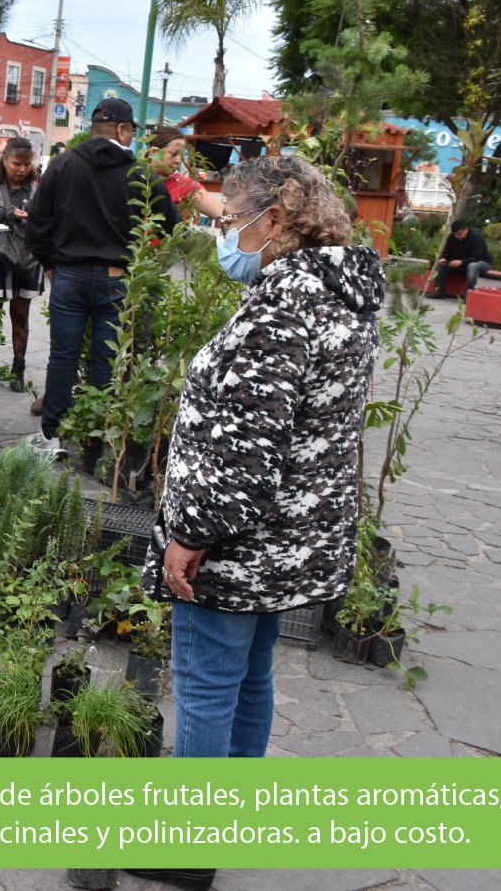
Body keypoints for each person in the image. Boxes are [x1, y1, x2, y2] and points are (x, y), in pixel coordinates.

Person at [131, 157, 384, 891]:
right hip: (289, 537)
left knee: (208, 687)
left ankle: (184, 852)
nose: (222, 233)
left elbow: (245, 449)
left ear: (275, 221)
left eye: (227, 220)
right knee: (248, 678)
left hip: (241, 542)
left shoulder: (284, 305)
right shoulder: (338, 293)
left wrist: (191, 535)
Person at [25, 97, 178, 459]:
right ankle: (97, 442)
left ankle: (52, 437)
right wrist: (144, 262)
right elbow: (173, 228)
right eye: (131, 132)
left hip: (69, 276)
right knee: (107, 362)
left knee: (62, 356)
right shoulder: (141, 175)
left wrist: (51, 264)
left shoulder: (62, 165)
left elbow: (35, 226)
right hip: (118, 280)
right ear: (122, 129)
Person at [0, 136, 40, 393]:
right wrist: (9, 214)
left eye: (26, 164)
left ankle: (18, 368)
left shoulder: (36, 184)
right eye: (17, 164)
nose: (22, 169)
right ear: (5, 160)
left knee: (21, 314)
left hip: (26, 253)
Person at [147, 127, 224, 221]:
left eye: (181, 155)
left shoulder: (185, 186)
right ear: (154, 152)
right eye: (174, 154)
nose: (178, 161)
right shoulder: (133, 177)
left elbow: (223, 214)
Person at [428, 218, 493, 297]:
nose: (457, 236)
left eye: (459, 234)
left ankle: (469, 292)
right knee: (440, 265)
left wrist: (461, 262)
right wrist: (444, 258)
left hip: (481, 263)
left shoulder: (476, 236)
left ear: (466, 229)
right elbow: (447, 252)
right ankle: (439, 290)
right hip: (461, 264)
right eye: (455, 234)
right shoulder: (452, 237)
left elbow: (477, 257)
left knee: (472, 265)